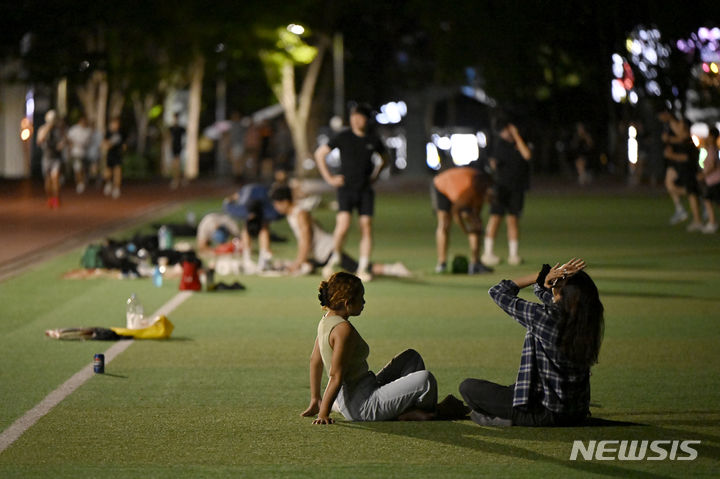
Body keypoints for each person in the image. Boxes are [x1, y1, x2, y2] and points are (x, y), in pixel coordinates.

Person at [301, 272, 468, 424]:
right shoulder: (343, 330)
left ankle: (404, 408)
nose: (364, 301)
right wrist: (323, 414)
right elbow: (336, 375)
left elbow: (315, 360)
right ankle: (425, 413)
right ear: (347, 303)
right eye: (361, 297)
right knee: (426, 380)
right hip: (363, 405)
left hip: (363, 389)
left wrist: (316, 399)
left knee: (411, 357)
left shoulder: (325, 321)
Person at [459, 258, 604, 427]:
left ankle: (507, 419)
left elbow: (498, 292)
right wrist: (549, 282)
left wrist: (540, 275)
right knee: (514, 388)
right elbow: (547, 296)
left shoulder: (545, 317)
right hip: (576, 412)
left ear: (562, 294)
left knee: (468, 387)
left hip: (544, 411)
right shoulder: (585, 319)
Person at [314, 103, 390, 282]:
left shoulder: (373, 139)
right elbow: (320, 154)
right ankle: (336, 257)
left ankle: (363, 267)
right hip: (346, 188)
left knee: (366, 226)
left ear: (366, 119)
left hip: (365, 189)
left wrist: (375, 176)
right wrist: (330, 178)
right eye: (353, 116)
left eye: (360, 116)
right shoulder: (343, 136)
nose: (356, 120)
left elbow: (385, 159)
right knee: (343, 227)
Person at [269, 185, 411, 278]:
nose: (276, 208)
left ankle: (393, 269)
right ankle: (309, 265)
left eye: (276, 204)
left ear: (284, 202)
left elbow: (306, 239)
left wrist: (298, 262)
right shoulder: (294, 214)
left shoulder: (300, 214)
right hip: (319, 254)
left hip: (327, 251)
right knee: (306, 267)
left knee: (355, 268)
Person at [481, 113, 532, 266]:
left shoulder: (521, 142)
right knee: (495, 218)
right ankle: (488, 253)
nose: (505, 133)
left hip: (517, 188)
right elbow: (492, 164)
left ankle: (513, 255)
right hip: (500, 188)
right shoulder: (498, 144)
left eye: (506, 129)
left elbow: (527, 155)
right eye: (503, 130)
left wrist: (517, 136)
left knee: (513, 220)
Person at [432, 166, 494, 274]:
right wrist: (465, 230)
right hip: (441, 185)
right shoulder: (468, 192)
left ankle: (475, 263)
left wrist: (476, 225)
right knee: (444, 223)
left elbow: (475, 216)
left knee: (474, 221)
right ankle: (442, 263)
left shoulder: (482, 188)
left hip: (458, 184)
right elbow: (456, 212)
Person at [223, 183, 282, 272]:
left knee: (264, 227)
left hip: (264, 191)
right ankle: (247, 258)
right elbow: (228, 201)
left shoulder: (271, 213)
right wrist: (232, 198)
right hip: (246, 191)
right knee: (250, 227)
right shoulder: (239, 210)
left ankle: (264, 258)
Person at [661, 112, 703, 230]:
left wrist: (671, 155)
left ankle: (698, 220)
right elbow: (675, 140)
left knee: (691, 192)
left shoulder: (689, 142)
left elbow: (686, 158)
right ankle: (696, 217)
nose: (677, 127)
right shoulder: (683, 140)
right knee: (688, 192)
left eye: (680, 125)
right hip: (685, 171)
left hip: (689, 171)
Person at [36, 110, 66, 209]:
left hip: (56, 158)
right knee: (48, 180)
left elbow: (63, 141)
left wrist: (61, 145)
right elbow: (39, 141)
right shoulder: (42, 129)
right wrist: (48, 128)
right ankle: (50, 197)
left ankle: (56, 198)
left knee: (55, 178)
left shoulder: (59, 130)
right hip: (46, 157)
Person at [700, 127, 720, 234]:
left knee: (708, 199)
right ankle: (712, 222)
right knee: (710, 200)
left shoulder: (712, 149)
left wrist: (703, 175)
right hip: (712, 181)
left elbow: (712, 166)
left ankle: (712, 223)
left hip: (714, 180)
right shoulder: (712, 148)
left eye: (708, 135)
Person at [66, 115, 93, 194]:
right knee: (77, 168)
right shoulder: (74, 129)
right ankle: (79, 183)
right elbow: (69, 138)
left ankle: (83, 181)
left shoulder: (88, 131)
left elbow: (88, 142)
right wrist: (70, 148)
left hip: (85, 153)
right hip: (76, 152)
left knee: (84, 169)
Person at [103, 117, 125, 199]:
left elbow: (124, 144)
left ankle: (116, 188)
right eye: (113, 124)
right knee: (108, 173)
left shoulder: (121, 133)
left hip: (118, 155)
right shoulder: (108, 133)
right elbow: (104, 143)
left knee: (118, 171)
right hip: (110, 155)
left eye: (116, 124)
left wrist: (123, 148)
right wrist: (108, 144)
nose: (115, 125)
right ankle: (108, 183)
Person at [569, 122, 594, 186]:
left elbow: (590, 145)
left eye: (581, 128)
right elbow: (573, 146)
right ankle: (583, 178)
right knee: (579, 164)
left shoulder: (587, 136)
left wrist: (586, 138)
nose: (580, 129)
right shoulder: (576, 136)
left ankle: (583, 178)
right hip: (578, 155)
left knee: (581, 164)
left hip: (586, 155)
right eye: (579, 128)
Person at [168, 113, 186, 189]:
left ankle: (177, 180)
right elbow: (168, 138)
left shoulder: (181, 128)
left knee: (178, 164)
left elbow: (184, 138)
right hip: (173, 148)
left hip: (179, 147)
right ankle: (178, 179)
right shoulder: (171, 128)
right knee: (175, 165)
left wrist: (183, 145)